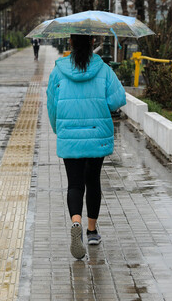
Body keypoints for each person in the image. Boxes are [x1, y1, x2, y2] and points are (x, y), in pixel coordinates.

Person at [46, 34, 126, 259]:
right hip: (96, 133)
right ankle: (92, 231)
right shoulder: (104, 69)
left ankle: (75, 223)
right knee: (93, 181)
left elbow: (52, 106)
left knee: (75, 184)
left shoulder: (58, 71)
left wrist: (57, 129)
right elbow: (117, 99)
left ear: (70, 43)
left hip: (69, 136)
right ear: (93, 43)